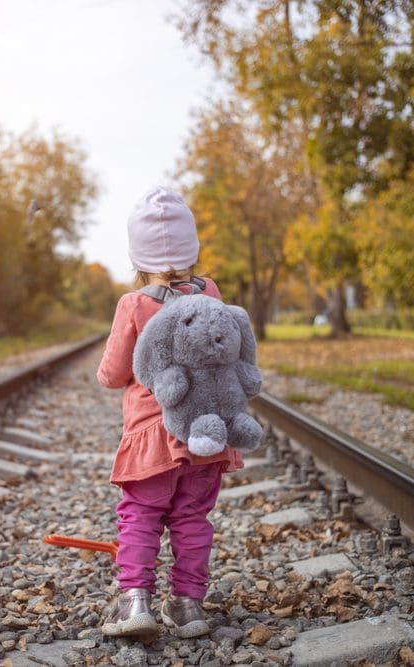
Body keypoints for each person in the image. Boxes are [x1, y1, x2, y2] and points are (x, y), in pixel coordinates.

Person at [96, 186, 247, 639]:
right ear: (192, 249)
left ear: (138, 257)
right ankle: (187, 606)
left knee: (140, 514)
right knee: (191, 518)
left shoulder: (134, 304)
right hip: (205, 435)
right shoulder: (212, 294)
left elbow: (113, 372)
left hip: (151, 438)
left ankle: (135, 601)